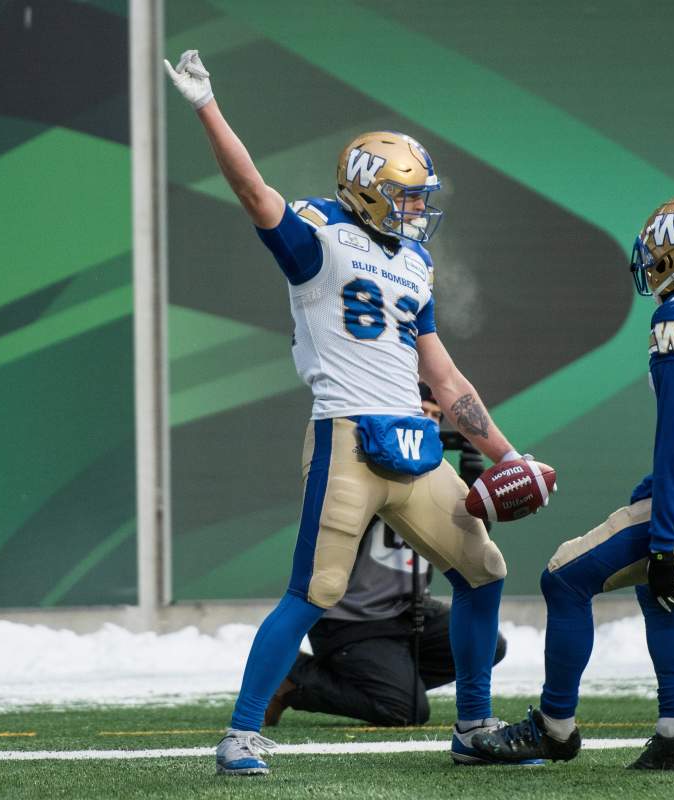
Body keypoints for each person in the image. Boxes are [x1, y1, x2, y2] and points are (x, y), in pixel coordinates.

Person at [163, 50, 551, 774]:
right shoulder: (318, 240)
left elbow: (444, 374)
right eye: (407, 197)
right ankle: (242, 733)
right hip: (345, 436)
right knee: (316, 591)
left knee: (483, 568)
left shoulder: (412, 265)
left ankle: (473, 727)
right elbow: (253, 191)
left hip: (412, 441)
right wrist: (207, 107)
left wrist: (508, 457)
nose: (417, 210)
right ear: (369, 191)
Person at [470, 196, 674, 771]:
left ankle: (554, 728)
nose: (650, 266)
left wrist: (666, 543)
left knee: (564, 578)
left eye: (658, 255)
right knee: (652, 572)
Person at [264, 385, 508, 728]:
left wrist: (470, 481)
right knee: (405, 710)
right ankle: (292, 677)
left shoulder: (433, 477)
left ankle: (386, 679)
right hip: (352, 621)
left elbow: (468, 545)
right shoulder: (371, 465)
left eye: (437, 417)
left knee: (487, 644)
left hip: (407, 612)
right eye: (421, 412)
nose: (431, 423)